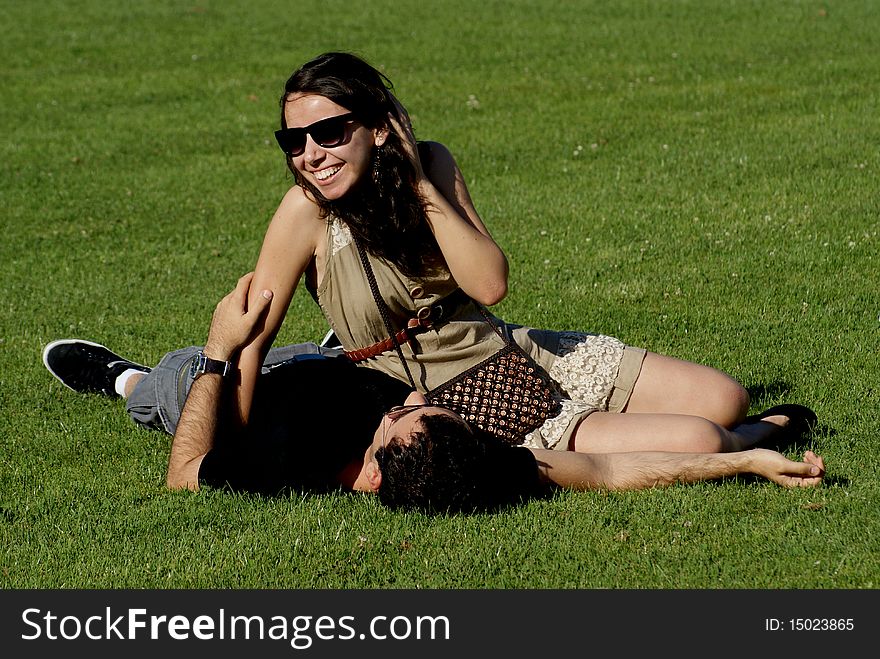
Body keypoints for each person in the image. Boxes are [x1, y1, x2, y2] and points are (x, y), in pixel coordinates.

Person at [223, 50, 819, 459]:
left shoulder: (431, 164)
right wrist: (233, 447)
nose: (310, 154)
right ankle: (751, 439)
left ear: (379, 130)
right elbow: (253, 337)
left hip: (506, 346)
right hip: (451, 396)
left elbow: (488, 285)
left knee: (724, 398)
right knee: (705, 440)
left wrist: (420, 185)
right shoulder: (305, 212)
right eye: (293, 139)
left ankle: (681, 425)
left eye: (329, 133)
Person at [42, 274, 825, 514]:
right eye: (415, 404)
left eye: (401, 414)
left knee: (165, 390)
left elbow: (186, 473)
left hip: (245, 388)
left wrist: (220, 350)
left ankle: (117, 372)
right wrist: (747, 462)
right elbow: (617, 472)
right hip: (334, 354)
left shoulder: (285, 464)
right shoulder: (472, 458)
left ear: (376, 471)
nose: (400, 402)